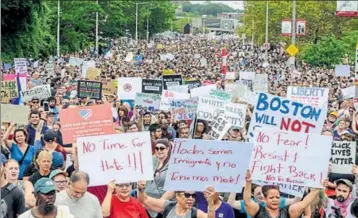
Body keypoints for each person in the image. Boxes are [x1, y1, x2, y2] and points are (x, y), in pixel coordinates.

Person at [243, 170, 320, 218]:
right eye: (271, 197)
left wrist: (318, 186)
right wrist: (248, 182)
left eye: (277, 197)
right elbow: (247, 202)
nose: (275, 200)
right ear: (265, 199)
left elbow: (304, 203)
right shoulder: (258, 211)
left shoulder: (288, 212)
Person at [137, 181, 216, 218]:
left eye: (193, 196)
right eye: (187, 195)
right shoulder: (168, 206)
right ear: (177, 196)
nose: (191, 199)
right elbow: (144, 199)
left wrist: (211, 203)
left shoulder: (195, 213)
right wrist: (140, 188)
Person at [228, 184, 301, 218]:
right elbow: (231, 204)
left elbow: (295, 201)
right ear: (253, 194)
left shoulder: (274, 200)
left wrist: (300, 186)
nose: (262, 196)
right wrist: (235, 187)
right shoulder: (250, 203)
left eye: (263, 193)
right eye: (258, 193)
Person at [145, 139, 171, 217]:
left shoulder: (173, 164)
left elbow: (173, 188)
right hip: (147, 203)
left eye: (162, 148)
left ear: (167, 149)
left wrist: (158, 203)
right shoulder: (151, 160)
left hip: (162, 205)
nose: (159, 151)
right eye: (157, 148)